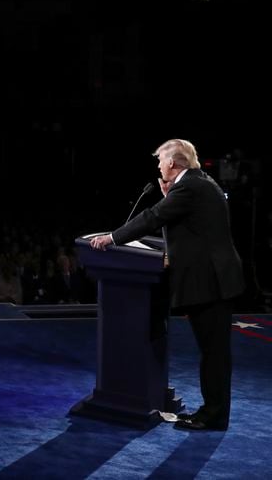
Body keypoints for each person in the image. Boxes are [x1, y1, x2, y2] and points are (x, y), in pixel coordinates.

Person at [90, 139, 245, 431]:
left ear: (173, 163)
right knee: (214, 352)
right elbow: (181, 224)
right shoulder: (198, 184)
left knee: (214, 353)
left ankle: (213, 415)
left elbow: (154, 216)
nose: (158, 166)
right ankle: (212, 411)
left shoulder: (190, 187)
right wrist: (168, 195)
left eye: (160, 161)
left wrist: (113, 238)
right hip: (214, 279)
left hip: (210, 282)